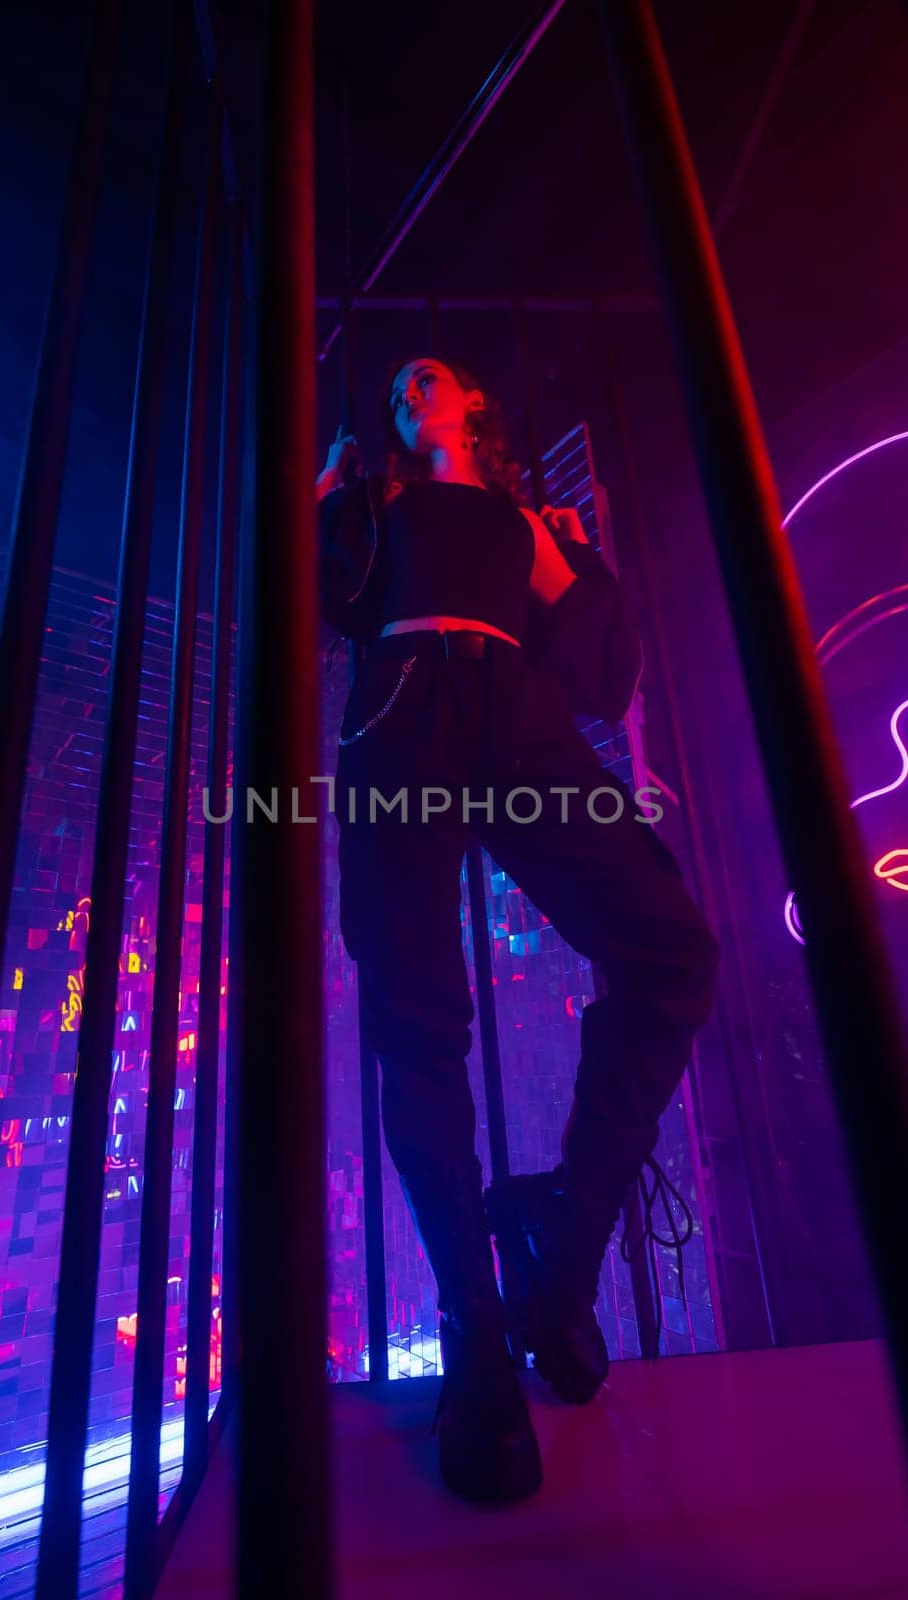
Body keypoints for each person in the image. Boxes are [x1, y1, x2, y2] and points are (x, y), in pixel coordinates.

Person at [316, 355, 720, 1506]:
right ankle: (473, 1328)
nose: (410, 381)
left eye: (427, 376)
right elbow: (338, 600)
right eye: (398, 383)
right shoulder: (380, 498)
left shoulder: (516, 518)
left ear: (475, 406)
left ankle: (562, 1241)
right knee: (416, 1015)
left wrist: (574, 552)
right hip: (402, 708)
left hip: (517, 713)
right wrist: (329, 499)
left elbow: (602, 674)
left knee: (669, 953)